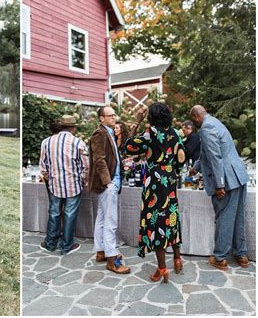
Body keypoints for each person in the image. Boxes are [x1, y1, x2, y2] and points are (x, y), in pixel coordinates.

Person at [125, 103, 185, 283]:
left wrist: (136, 123)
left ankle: (162, 268)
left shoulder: (150, 133)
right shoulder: (175, 134)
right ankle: (177, 258)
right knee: (171, 216)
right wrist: (172, 171)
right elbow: (181, 159)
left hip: (154, 181)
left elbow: (129, 147)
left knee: (157, 219)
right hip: (170, 179)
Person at [189, 105, 249, 270]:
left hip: (226, 180)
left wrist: (219, 184)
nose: (193, 124)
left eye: (193, 120)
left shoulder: (206, 129)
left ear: (196, 116)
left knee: (224, 218)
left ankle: (220, 257)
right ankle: (241, 255)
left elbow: (215, 158)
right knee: (237, 218)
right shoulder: (215, 123)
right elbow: (207, 154)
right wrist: (196, 167)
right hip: (238, 175)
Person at [39, 115, 89, 255]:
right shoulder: (78, 143)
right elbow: (86, 167)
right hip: (73, 185)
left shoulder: (46, 142)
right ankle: (66, 246)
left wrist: (50, 179)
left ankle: (50, 244)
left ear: (61, 126)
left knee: (54, 213)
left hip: (55, 184)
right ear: (73, 128)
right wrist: (82, 181)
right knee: (69, 214)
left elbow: (43, 167)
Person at [89, 106, 130, 274]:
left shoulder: (109, 133)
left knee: (102, 217)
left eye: (114, 115)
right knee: (110, 221)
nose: (114, 118)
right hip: (109, 183)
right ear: (101, 118)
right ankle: (112, 259)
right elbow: (99, 160)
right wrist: (108, 182)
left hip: (111, 181)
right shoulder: (100, 134)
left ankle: (100, 251)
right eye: (110, 115)